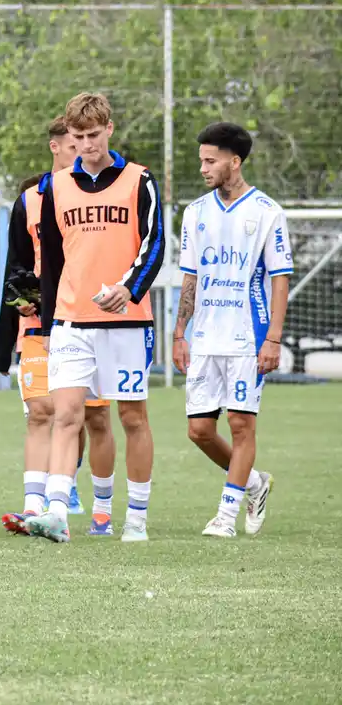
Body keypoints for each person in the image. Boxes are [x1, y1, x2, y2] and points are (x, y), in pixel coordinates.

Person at [20, 92, 164, 544]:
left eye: (93, 135)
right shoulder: (54, 186)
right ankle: (58, 512)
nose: (86, 144)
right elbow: (53, 262)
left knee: (133, 418)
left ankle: (136, 518)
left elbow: (155, 245)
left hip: (127, 322)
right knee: (67, 416)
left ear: (109, 130)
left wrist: (128, 289)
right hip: (70, 322)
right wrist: (47, 320)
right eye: (78, 136)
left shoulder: (140, 180)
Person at [174, 122, 287, 538]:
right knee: (199, 430)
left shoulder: (267, 212)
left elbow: (279, 278)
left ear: (234, 162)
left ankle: (226, 514)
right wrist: (178, 333)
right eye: (201, 160)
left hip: (247, 336)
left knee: (241, 424)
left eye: (210, 160)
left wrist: (273, 338)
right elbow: (190, 277)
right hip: (204, 335)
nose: (203, 168)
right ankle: (255, 483)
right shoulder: (195, 213)